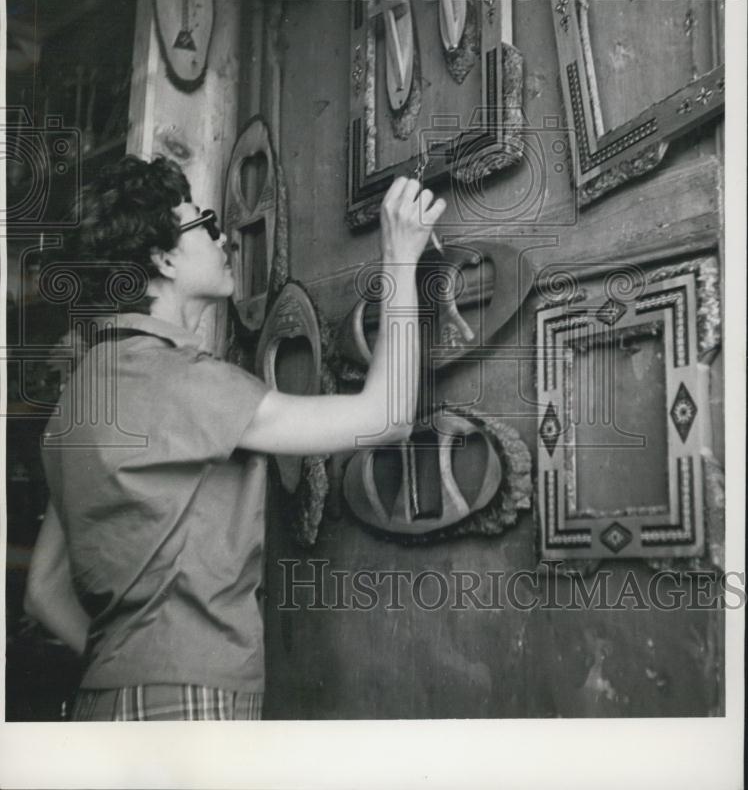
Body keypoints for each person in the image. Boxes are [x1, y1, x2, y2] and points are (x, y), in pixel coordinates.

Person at [23, 154, 444, 721]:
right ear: (165, 258)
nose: (227, 242)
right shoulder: (185, 382)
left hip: (103, 699)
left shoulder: (79, 398)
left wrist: (133, 670)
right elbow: (386, 416)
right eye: (208, 226)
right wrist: (399, 259)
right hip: (192, 701)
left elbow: (44, 592)